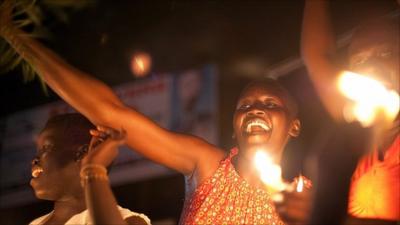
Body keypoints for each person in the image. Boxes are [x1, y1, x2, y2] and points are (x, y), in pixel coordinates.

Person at [0, 1, 301, 223]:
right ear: (234, 127)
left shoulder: (305, 197)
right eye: (244, 106)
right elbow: (112, 113)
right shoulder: (208, 166)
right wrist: (13, 36)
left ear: (294, 126)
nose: (255, 110)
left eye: (271, 104)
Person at [301, 0, 399, 223]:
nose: (372, 66)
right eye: (360, 60)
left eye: (386, 53)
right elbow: (317, 56)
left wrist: (323, 213)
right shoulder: (357, 133)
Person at [29, 113, 150, 225]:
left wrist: (93, 167)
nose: (34, 159)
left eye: (46, 148)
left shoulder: (129, 220)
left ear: (83, 153)